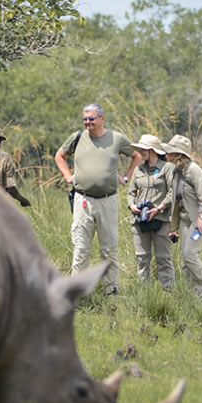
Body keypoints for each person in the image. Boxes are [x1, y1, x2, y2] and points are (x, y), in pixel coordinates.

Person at [53, 104, 141, 295]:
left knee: (109, 248)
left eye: (91, 118)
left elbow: (137, 156)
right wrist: (68, 176)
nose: (87, 122)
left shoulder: (116, 139)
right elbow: (60, 156)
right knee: (81, 247)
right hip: (82, 200)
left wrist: (126, 177)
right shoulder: (77, 138)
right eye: (85, 119)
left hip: (108, 200)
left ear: (102, 119)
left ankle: (112, 290)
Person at [163, 134, 202, 298]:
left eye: (170, 151)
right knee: (186, 261)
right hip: (185, 221)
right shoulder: (175, 171)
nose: (166, 154)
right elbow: (176, 201)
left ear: (178, 154)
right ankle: (192, 296)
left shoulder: (194, 170)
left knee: (190, 254)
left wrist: (201, 218)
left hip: (200, 219)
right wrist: (173, 228)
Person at [127, 134, 176, 289]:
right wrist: (132, 206)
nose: (140, 152)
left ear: (153, 150)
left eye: (143, 149)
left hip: (160, 220)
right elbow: (130, 193)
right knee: (142, 259)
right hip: (139, 221)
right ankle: (145, 295)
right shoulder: (138, 170)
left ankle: (169, 293)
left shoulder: (168, 168)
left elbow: (173, 191)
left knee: (163, 259)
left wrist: (159, 208)